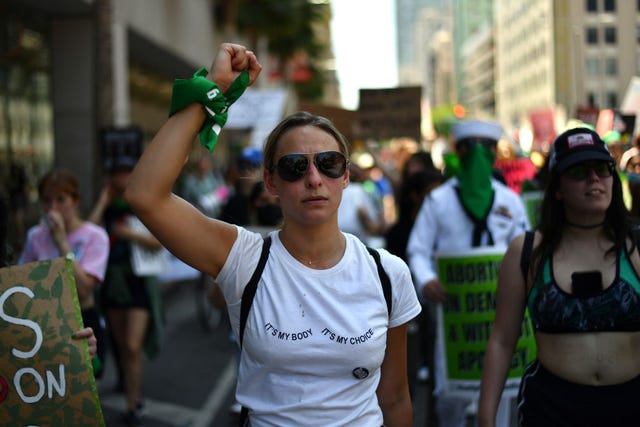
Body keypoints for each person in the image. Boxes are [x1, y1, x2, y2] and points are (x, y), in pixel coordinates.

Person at [124, 42, 421, 426]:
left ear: (345, 176)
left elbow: (395, 398)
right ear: (271, 181)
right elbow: (144, 195)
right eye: (295, 166)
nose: (314, 179)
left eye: (328, 163)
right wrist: (210, 91)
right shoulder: (244, 259)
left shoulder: (388, 273)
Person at [478, 127, 640, 427]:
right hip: (552, 410)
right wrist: (485, 419)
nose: (594, 179)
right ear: (557, 187)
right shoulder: (527, 252)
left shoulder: (636, 247)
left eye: (602, 169)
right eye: (579, 171)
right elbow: (502, 341)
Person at [407, 120, 530, 427]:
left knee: (502, 390)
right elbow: (418, 250)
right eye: (469, 148)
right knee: (452, 393)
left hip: (503, 309)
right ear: (458, 153)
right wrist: (427, 280)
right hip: (454, 314)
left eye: (485, 148)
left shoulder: (509, 202)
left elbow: (529, 248)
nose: (477, 156)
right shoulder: (439, 201)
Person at [89, 156, 164, 427]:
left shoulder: (142, 204)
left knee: (132, 345)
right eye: (116, 173)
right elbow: (87, 236)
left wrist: (128, 234)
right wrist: (102, 201)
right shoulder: (109, 208)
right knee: (121, 345)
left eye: (125, 172)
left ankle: (133, 403)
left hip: (138, 281)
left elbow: (159, 243)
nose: (120, 178)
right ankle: (130, 388)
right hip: (112, 282)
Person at [18, 168, 110, 378]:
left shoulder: (95, 236)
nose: (53, 208)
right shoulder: (36, 236)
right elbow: (22, 282)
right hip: (45, 322)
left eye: (61, 200)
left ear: (74, 200)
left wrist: (61, 241)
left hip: (82, 318)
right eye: (47, 201)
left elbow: (85, 289)